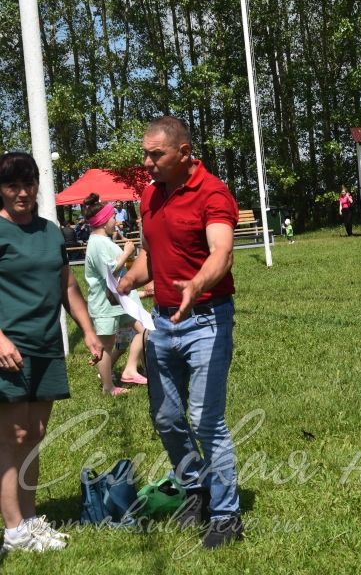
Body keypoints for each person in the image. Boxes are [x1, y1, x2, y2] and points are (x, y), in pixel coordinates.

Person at [116, 116, 243, 548]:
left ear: (183, 153)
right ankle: (197, 488)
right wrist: (131, 279)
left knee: (207, 421)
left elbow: (221, 253)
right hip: (161, 322)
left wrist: (197, 285)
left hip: (206, 320)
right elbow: (155, 255)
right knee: (167, 418)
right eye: (145, 154)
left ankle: (227, 516)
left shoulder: (213, 193)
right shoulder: (150, 195)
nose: (147, 163)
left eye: (156, 155)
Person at [0, 152, 103, 552]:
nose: (22, 193)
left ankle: (29, 520)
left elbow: (68, 286)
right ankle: (14, 531)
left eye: (28, 184)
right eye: (12, 186)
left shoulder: (50, 231)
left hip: (46, 347)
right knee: (13, 436)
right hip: (9, 349)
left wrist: (89, 332)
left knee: (36, 434)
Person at [81, 193, 148, 396]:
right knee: (105, 347)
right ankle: (108, 387)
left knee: (144, 330)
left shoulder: (102, 240)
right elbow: (110, 272)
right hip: (105, 304)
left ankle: (130, 369)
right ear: (103, 221)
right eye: (112, 218)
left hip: (119, 301)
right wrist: (127, 252)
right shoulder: (98, 243)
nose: (116, 221)